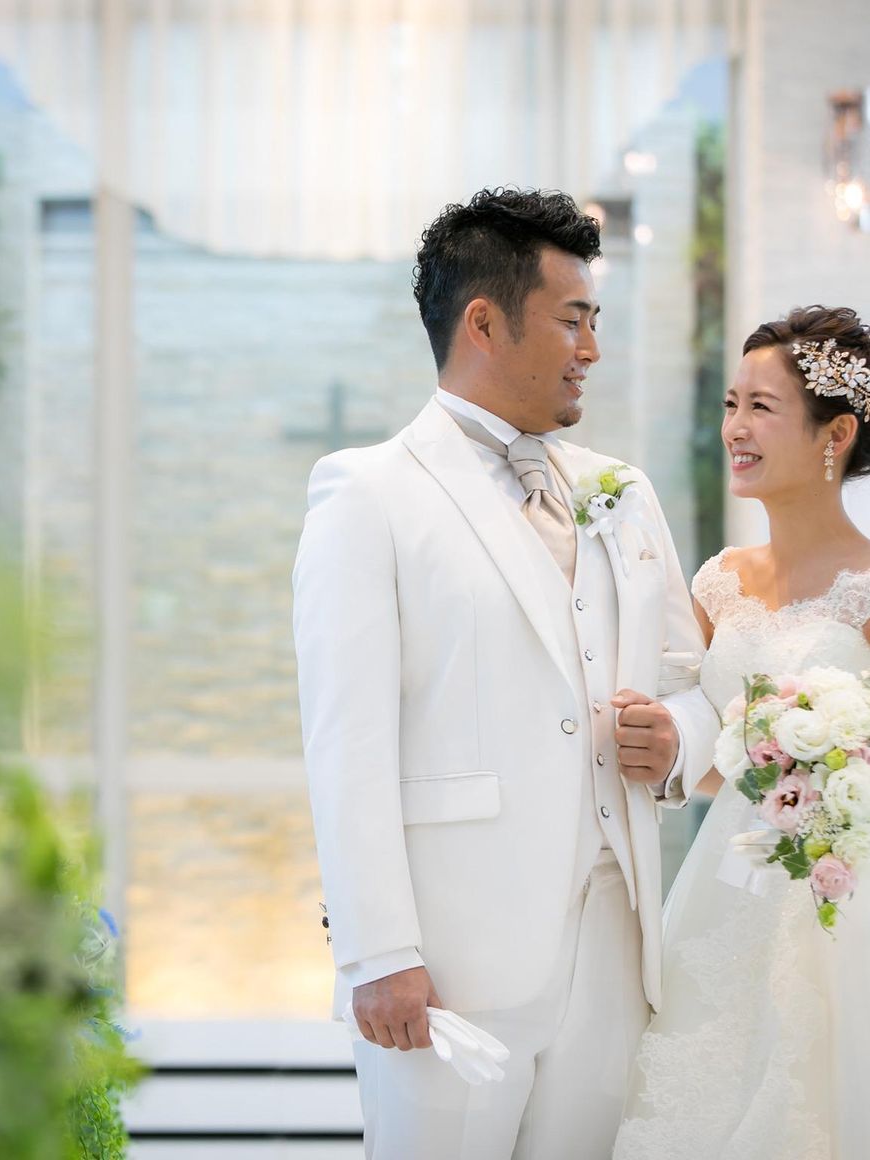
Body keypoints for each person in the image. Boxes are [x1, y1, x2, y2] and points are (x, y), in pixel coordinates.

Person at [292, 187, 719, 1160]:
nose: (591, 349)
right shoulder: (368, 494)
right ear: (483, 323)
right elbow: (345, 740)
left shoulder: (621, 492)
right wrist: (377, 951)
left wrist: (678, 736)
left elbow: (689, 681)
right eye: (573, 320)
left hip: (612, 944)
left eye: (595, 321)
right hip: (449, 962)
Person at [616, 305, 870, 1160]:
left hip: (842, 900)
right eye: (731, 404)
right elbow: (709, 757)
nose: (734, 428)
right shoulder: (718, 584)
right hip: (725, 887)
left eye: (760, 407)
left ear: (836, 433)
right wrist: (669, 745)